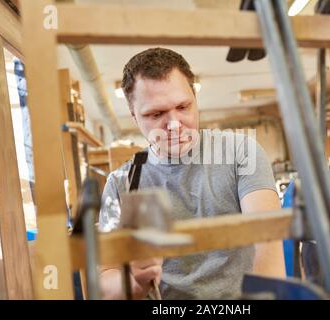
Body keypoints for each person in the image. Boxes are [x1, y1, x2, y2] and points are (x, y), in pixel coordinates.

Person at [99, 47, 285, 299]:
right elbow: (103, 279)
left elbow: (268, 242)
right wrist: (133, 283)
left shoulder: (242, 152)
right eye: (156, 114)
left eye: (183, 106)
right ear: (134, 117)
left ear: (195, 99)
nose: (174, 124)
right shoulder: (122, 183)